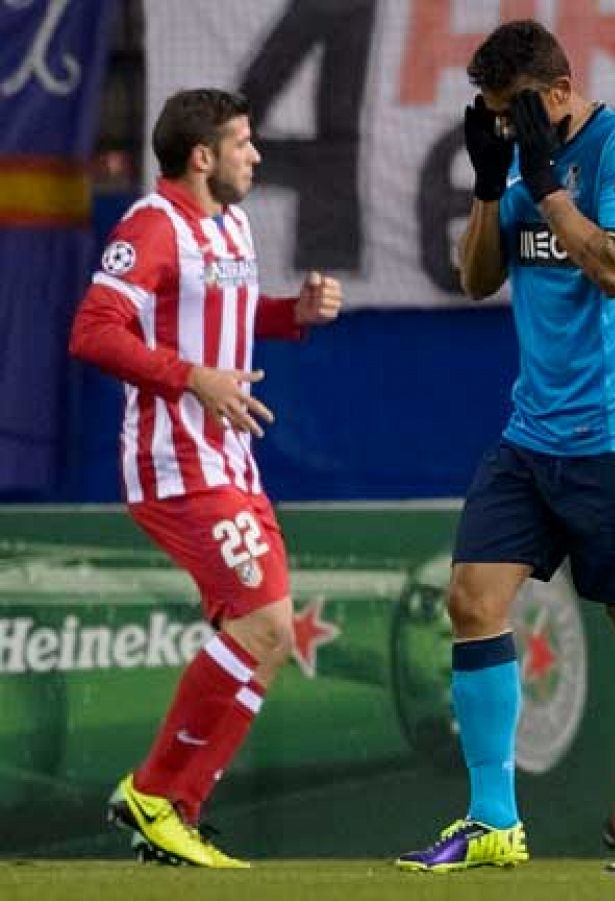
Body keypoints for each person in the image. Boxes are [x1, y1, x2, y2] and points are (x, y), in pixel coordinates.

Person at [394, 20, 615, 875]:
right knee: (471, 600)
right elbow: (479, 277)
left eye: (510, 111)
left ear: (556, 93)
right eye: (489, 115)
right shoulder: (518, 164)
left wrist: (550, 185)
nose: (500, 126)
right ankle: (494, 822)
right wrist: (493, 187)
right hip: (533, 433)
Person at [68, 88, 343, 868]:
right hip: (176, 463)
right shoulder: (151, 228)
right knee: (261, 625)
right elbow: (93, 332)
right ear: (202, 155)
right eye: (243, 142)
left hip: (229, 459)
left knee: (270, 637)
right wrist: (193, 378)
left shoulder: (231, 223)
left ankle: (178, 811)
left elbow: (222, 310)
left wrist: (294, 313)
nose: (255, 155)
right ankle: (154, 793)